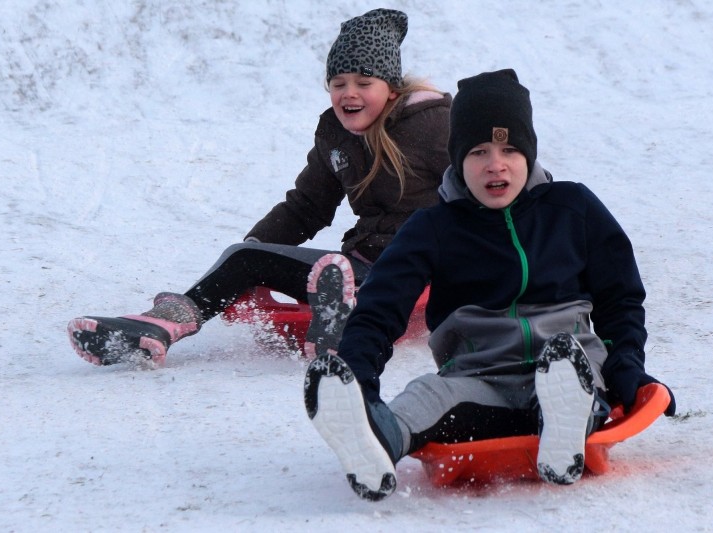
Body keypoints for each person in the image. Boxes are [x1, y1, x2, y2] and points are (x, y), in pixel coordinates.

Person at [303, 69, 678, 501]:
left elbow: (620, 297)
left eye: (510, 149)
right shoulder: (434, 227)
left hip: (568, 365)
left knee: (570, 376)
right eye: (478, 151)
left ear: (529, 156)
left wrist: (626, 365)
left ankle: (563, 427)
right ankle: (373, 443)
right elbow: (379, 308)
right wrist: (361, 384)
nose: (494, 164)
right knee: (425, 396)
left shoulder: (572, 208)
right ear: (458, 160)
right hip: (478, 381)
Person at [67, 8, 452, 366]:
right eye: (338, 83)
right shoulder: (335, 136)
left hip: (420, 270)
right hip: (360, 268)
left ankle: (346, 319)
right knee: (245, 257)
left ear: (392, 91)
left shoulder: (433, 126)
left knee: (342, 275)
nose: (349, 93)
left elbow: (483, 189)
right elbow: (306, 207)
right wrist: (255, 257)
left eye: (364, 82)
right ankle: (159, 326)